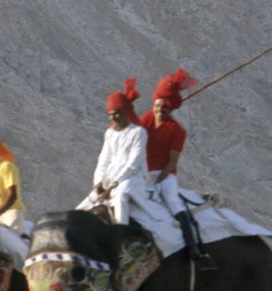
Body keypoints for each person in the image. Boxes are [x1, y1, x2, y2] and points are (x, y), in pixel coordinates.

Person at [140, 69, 214, 267]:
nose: (159, 110)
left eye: (163, 107)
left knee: (174, 203)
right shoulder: (145, 121)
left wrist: (156, 181)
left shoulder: (177, 131)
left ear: (170, 108)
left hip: (165, 176)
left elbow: (172, 162)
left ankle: (194, 250)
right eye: (157, 105)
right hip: (142, 172)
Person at [78, 78, 147, 225]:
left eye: (116, 113)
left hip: (132, 178)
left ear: (125, 112)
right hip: (109, 178)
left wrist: (113, 185)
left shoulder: (138, 132)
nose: (113, 117)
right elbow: (103, 160)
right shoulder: (109, 133)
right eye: (110, 114)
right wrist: (98, 182)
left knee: (121, 196)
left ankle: (121, 229)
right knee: (86, 204)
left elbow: (134, 163)